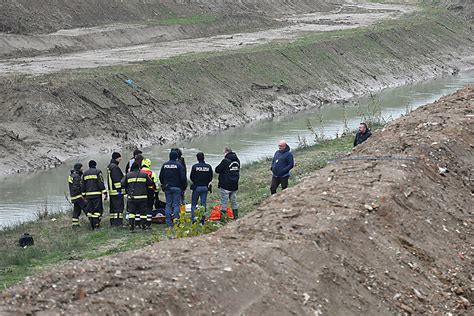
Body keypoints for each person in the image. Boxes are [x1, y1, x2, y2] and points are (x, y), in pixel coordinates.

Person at [121, 162, 153, 231]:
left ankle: (131, 226)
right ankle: (143, 226)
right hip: (143, 197)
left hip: (132, 197)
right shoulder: (144, 175)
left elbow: (122, 183)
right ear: (139, 168)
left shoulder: (128, 175)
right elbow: (150, 183)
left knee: (132, 212)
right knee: (143, 213)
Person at [159, 151, 187, 227]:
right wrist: (183, 186)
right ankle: (176, 221)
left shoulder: (164, 165)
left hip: (167, 187)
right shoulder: (179, 165)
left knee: (168, 204)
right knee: (176, 205)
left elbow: (161, 176)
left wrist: (164, 184)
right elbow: (183, 178)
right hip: (177, 187)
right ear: (176, 157)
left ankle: (168, 223)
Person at [215, 147, 240, 219]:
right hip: (234, 184)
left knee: (224, 202)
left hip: (225, 185)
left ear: (226, 152)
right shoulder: (237, 161)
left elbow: (217, 170)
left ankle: (223, 219)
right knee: (234, 202)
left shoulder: (225, 161)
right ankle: (236, 217)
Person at [82, 160, 107, 230]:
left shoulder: (85, 174)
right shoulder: (98, 172)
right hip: (96, 195)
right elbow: (101, 182)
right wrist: (104, 192)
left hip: (88, 196)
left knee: (90, 210)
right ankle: (96, 225)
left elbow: (83, 185)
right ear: (95, 165)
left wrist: (84, 195)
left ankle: (91, 225)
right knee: (97, 210)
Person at [190, 152, 213, 223]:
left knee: (194, 204)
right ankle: (202, 220)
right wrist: (206, 183)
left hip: (196, 187)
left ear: (197, 158)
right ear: (204, 158)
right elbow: (210, 177)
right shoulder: (208, 166)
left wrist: (196, 182)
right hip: (205, 187)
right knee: (203, 204)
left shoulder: (195, 166)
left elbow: (191, 177)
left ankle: (194, 219)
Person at [107, 152, 125, 227]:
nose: (121, 159)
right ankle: (118, 223)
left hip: (112, 191)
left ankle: (113, 222)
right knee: (118, 208)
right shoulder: (115, 167)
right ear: (117, 158)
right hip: (116, 192)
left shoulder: (110, 166)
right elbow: (117, 180)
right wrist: (119, 191)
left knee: (113, 208)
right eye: (120, 158)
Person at [140, 158, 158, 228]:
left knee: (141, 207)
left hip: (141, 192)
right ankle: (148, 223)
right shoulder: (152, 173)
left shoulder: (139, 173)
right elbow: (156, 185)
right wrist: (156, 193)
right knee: (149, 207)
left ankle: (141, 222)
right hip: (150, 192)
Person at [68, 162, 86, 227]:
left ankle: (75, 225)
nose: (83, 168)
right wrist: (83, 195)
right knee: (86, 208)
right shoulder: (76, 176)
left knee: (76, 211)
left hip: (73, 196)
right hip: (78, 196)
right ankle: (93, 222)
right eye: (82, 167)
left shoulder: (72, 175)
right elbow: (77, 187)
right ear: (79, 168)